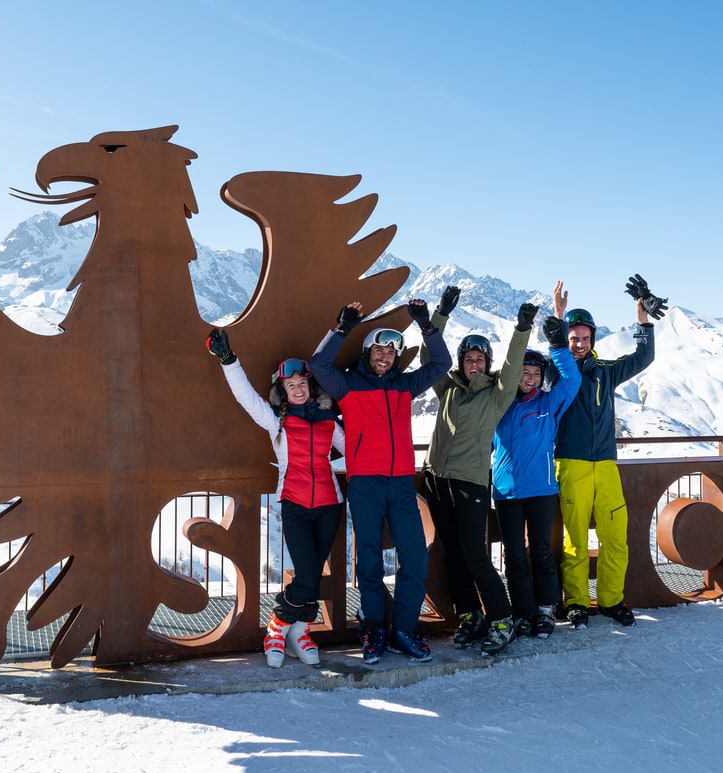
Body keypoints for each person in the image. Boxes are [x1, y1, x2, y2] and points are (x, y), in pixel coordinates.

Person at [309, 298, 451, 665]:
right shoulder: (348, 386)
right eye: (380, 349)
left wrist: (428, 327)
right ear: (369, 352)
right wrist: (341, 329)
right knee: (368, 560)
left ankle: (403, 630)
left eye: (392, 351)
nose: (385, 356)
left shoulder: (405, 386)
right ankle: (373, 628)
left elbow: (442, 364)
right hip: (365, 483)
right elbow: (318, 365)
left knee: (416, 558)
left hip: (402, 483)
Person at [208, 328, 345, 668]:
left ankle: (300, 630)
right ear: (281, 390)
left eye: (302, 384)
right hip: (295, 504)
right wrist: (229, 360)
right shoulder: (276, 421)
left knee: (314, 575)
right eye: (290, 385)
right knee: (307, 574)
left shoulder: (330, 421)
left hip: (330, 505)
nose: (297, 390)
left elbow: (356, 453)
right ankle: (279, 626)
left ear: (310, 386)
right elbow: (246, 398)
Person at [420, 286, 535, 656]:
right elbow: (428, 357)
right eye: (468, 359)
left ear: (487, 363)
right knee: (452, 553)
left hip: (470, 482)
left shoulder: (497, 393)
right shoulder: (447, 388)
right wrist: (439, 315)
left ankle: (502, 617)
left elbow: (515, 365)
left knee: (475, 555)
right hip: (437, 479)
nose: (474, 364)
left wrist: (521, 330)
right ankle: (470, 615)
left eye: (479, 359)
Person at [553, 273, 667, 628]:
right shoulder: (556, 371)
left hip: (605, 466)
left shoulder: (606, 371)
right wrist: (558, 317)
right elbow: (551, 351)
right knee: (573, 541)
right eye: (574, 338)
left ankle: (611, 601)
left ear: (593, 339)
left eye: (585, 338)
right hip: (570, 465)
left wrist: (642, 317)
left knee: (615, 538)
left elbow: (643, 356)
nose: (580, 343)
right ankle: (574, 602)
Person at [491, 281, 581, 641]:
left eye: (535, 375)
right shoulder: (501, 404)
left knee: (542, 551)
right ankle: (523, 613)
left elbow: (571, 380)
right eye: (524, 373)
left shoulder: (548, 404)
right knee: (514, 556)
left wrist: (558, 342)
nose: (529, 379)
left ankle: (545, 610)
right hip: (507, 491)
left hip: (542, 489)